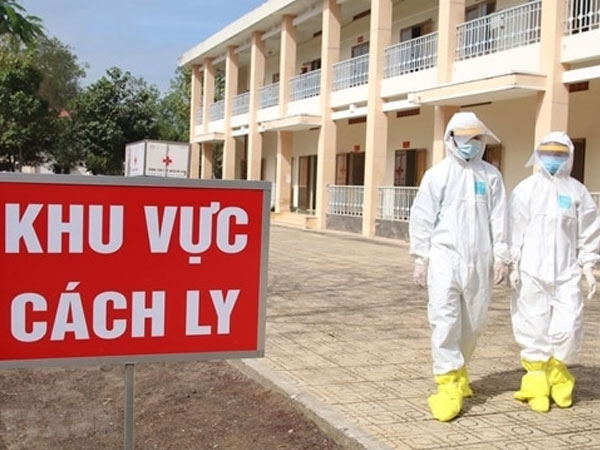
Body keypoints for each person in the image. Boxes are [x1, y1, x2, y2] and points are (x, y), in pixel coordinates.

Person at [409, 111, 510, 422]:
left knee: (474, 323)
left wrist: (502, 255)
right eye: (464, 137)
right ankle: (447, 384)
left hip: (480, 259)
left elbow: (499, 217)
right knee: (445, 319)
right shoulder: (437, 175)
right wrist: (421, 257)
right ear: (451, 139)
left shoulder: (490, 176)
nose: (470, 143)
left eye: (475, 137)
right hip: (445, 258)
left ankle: (459, 369)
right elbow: (423, 215)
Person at [508, 132, 600, 413]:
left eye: (559, 154)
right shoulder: (525, 190)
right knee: (533, 326)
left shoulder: (577, 192)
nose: (553, 159)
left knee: (569, 326)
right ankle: (536, 382)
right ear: (538, 155)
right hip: (531, 271)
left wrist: (588, 265)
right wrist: (512, 263)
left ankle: (559, 375)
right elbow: (514, 229)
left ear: (569, 157)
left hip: (566, 272)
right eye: (548, 153)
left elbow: (589, 231)